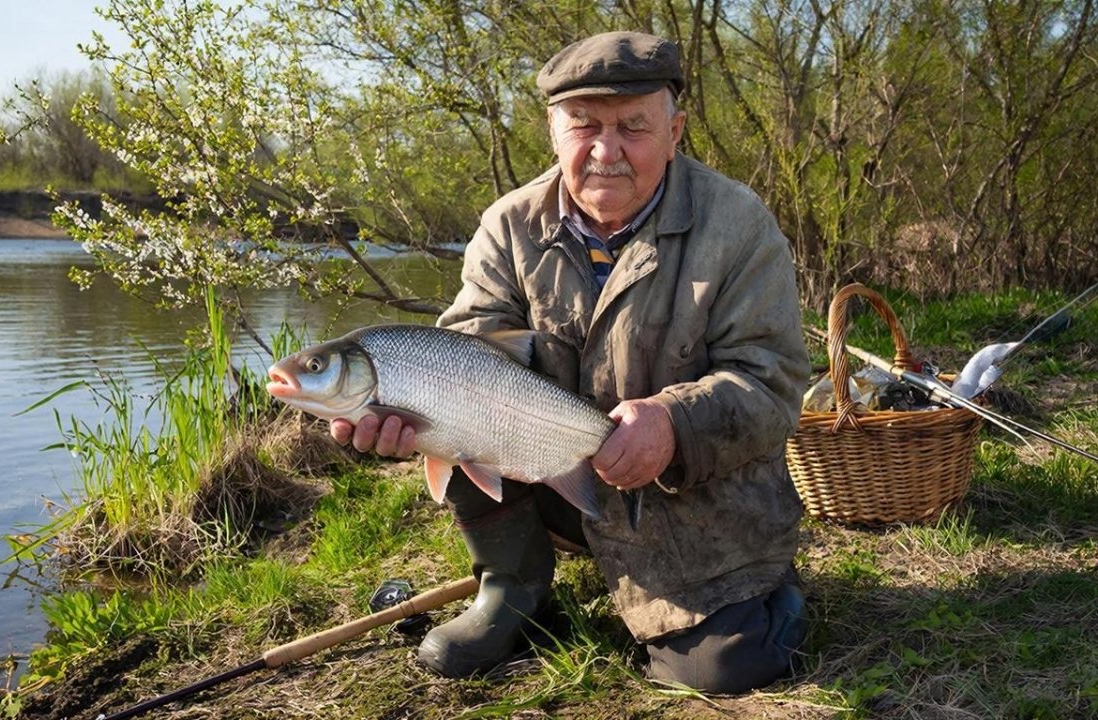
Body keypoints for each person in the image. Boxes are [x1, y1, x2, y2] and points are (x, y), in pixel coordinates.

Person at [330, 30, 811, 694]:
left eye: (633, 127)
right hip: (553, 473)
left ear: (675, 132)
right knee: (450, 396)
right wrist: (393, 414)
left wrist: (674, 425)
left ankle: (766, 594)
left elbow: (772, 380)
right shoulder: (508, 225)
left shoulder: (739, 225)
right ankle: (514, 588)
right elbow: (462, 348)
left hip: (696, 494)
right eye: (584, 125)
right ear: (553, 132)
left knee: (721, 670)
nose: (606, 151)